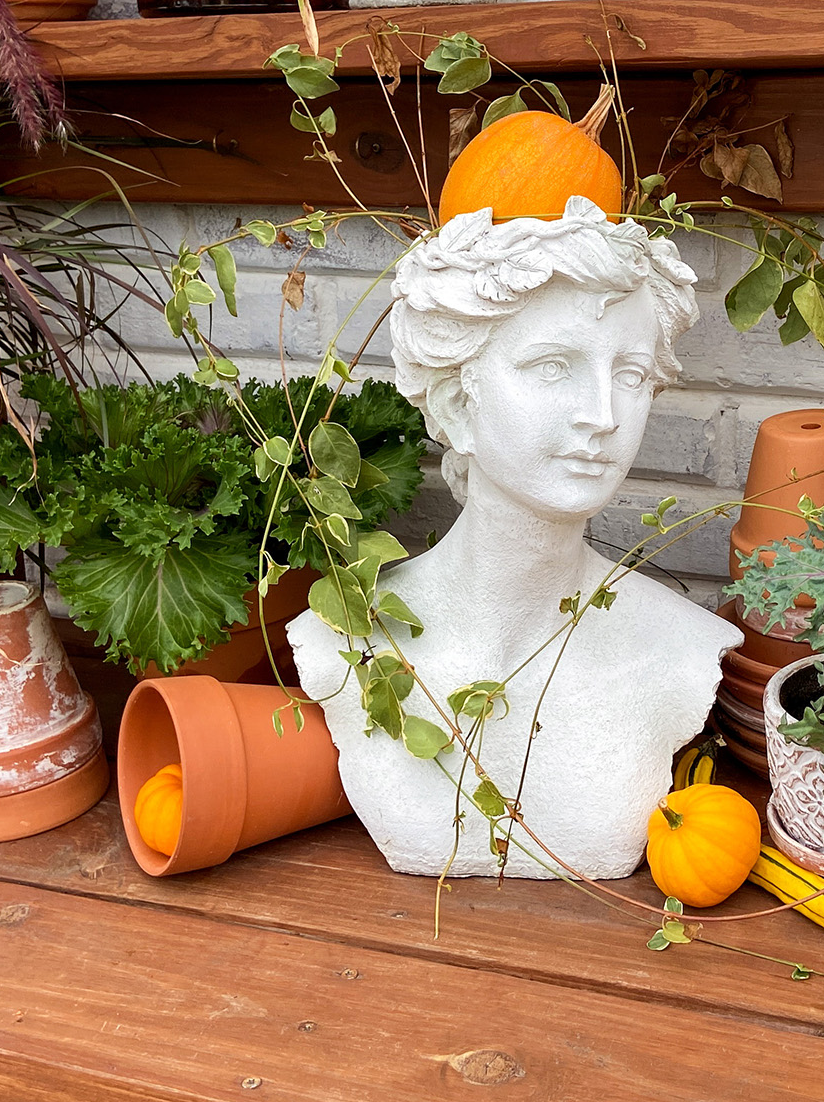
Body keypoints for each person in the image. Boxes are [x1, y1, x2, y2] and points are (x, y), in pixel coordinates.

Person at [289, 199, 741, 879]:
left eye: (630, 375)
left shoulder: (686, 650)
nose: (602, 416)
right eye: (554, 367)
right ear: (454, 404)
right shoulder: (343, 641)